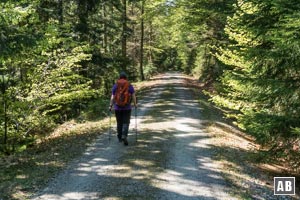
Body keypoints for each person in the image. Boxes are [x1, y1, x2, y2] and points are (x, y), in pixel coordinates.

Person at [109, 72, 137, 146]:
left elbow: (112, 97)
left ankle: (119, 137)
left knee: (119, 123)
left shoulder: (116, 85)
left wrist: (110, 105)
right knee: (126, 122)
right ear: (126, 78)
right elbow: (133, 96)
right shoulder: (129, 85)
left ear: (119, 77)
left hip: (117, 108)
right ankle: (124, 135)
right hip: (127, 107)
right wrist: (135, 104)